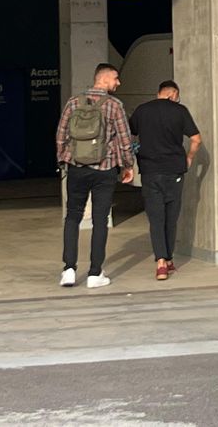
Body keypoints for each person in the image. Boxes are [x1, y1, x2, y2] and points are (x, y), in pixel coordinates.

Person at [55, 62, 134, 289]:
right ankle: (94, 273)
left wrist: (64, 159)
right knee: (100, 220)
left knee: (72, 217)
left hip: (77, 168)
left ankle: (68, 270)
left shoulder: (73, 102)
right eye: (116, 78)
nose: (118, 83)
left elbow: (61, 134)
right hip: (105, 169)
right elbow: (125, 140)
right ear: (104, 79)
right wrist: (128, 165)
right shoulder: (114, 105)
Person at [129, 79, 201, 280]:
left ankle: (161, 262)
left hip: (150, 170)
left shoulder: (142, 111)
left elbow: (130, 133)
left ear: (159, 93)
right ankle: (168, 259)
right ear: (173, 94)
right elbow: (196, 139)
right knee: (171, 215)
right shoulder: (180, 111)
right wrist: (189, 157)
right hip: (174, 170)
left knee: (155, 217)